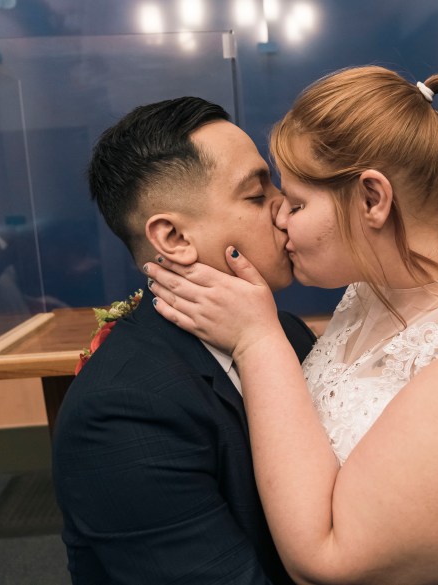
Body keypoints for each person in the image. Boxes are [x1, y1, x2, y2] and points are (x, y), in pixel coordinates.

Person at [145, 66, 438, 585]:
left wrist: (257, 340)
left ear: (373, 199)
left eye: (298, 202)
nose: (280, 219)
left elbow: (329, 563)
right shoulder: (373, 292)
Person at [51, 97, 318, 584]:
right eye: (258, 197)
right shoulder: (122, 411)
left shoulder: (287, 332)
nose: (286, 211)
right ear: (173, 238)